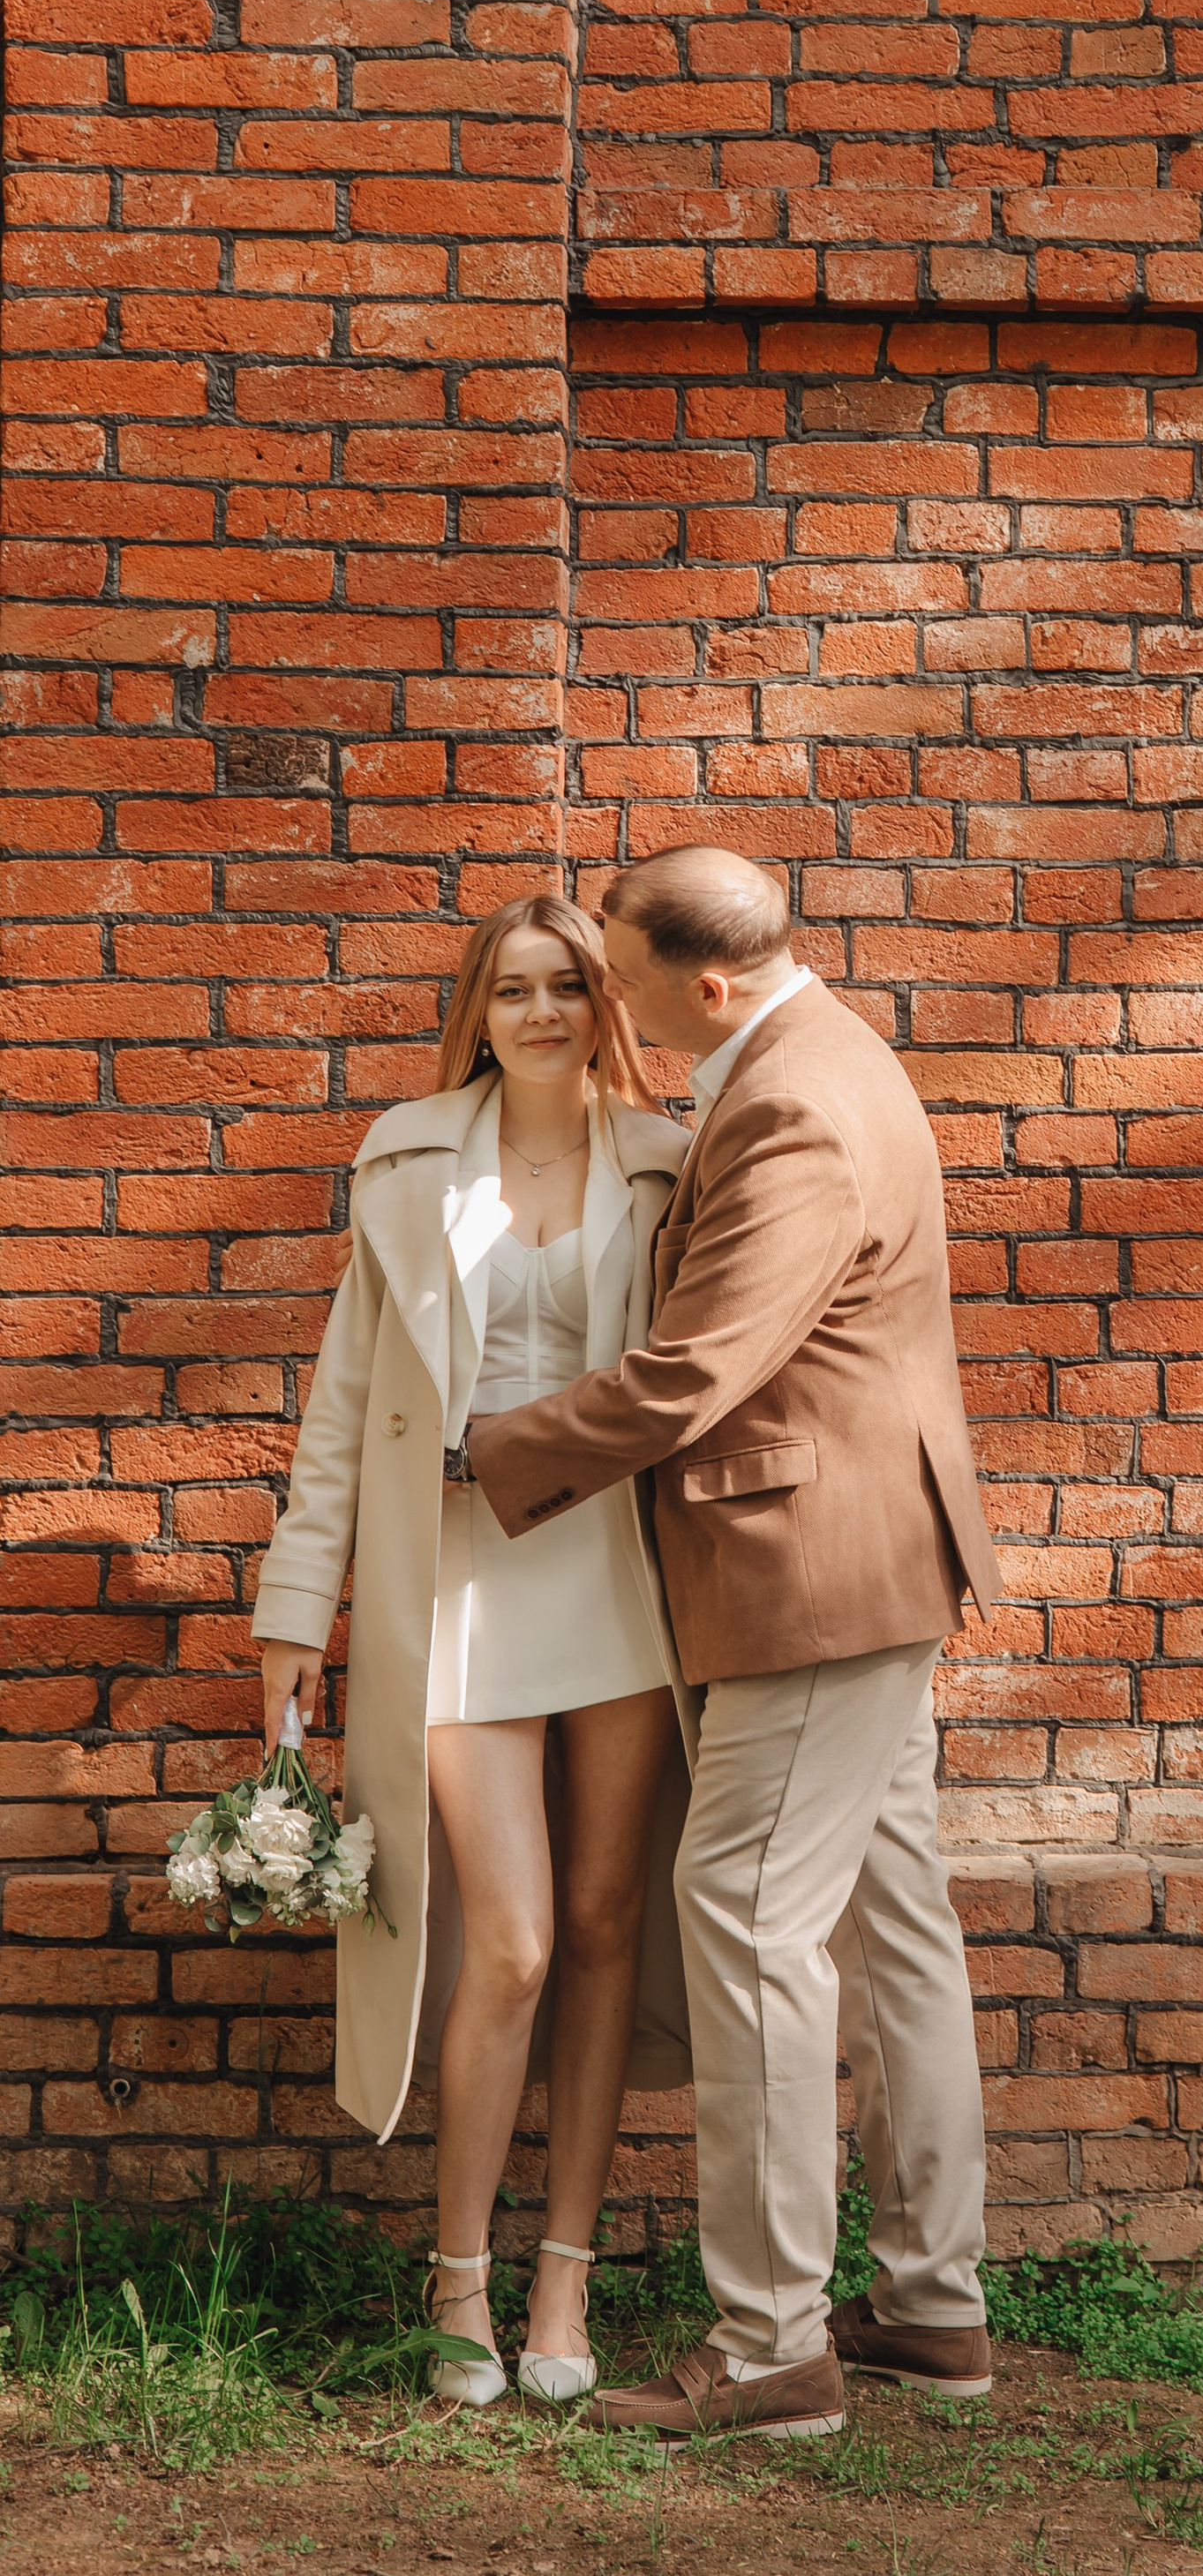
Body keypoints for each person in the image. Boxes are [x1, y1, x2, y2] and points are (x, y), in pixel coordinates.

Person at [467, 846, 1005, 2441]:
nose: (606, 1004)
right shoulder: (823, 1048)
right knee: (892, 1926)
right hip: (871, 1555)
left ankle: (773, 2350)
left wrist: (496, 1447)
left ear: (704, 984)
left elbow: (697, 1367)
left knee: (748, 1914)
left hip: (809, 1569)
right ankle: (930, 2308)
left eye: (618, 975)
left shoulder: (790, 1108)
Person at [251, 897, 695, 2409]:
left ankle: (563, 2278)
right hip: (454, 1584)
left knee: (602, 1916)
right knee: (504, 1938)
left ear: (606, 1003)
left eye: (567, 984)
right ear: (478, 1010)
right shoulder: (410, 1158)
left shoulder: (669, 1162)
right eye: (511, 989)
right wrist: (295, 1607)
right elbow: (342, 1403)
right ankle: (459, 2279)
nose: (542, 1011)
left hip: (623, 1574)